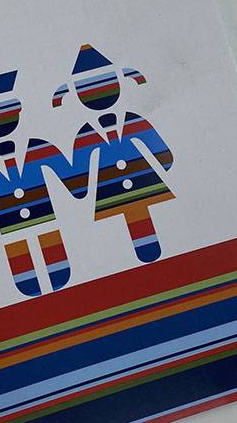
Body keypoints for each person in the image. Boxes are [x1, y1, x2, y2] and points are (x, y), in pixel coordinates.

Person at [0, 70, 87, 296]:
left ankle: (59, 279)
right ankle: (28, 287)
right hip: (9, 222)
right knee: (20, 260)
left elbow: (62, 168)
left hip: (42, 214)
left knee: (53, 253)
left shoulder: (37, 148)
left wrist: (76, 186)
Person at [53, 44, 175, 263]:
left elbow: (158, 148)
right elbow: (81, 166)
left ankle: (151, 252)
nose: (96, 95)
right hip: (111, 185)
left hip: (138, 178)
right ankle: (146, 254)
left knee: (141, 213)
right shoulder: (86, 133)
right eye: (87, 92)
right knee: (132, 216)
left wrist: (164, 159)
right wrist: (79, 187)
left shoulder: (131, 120)